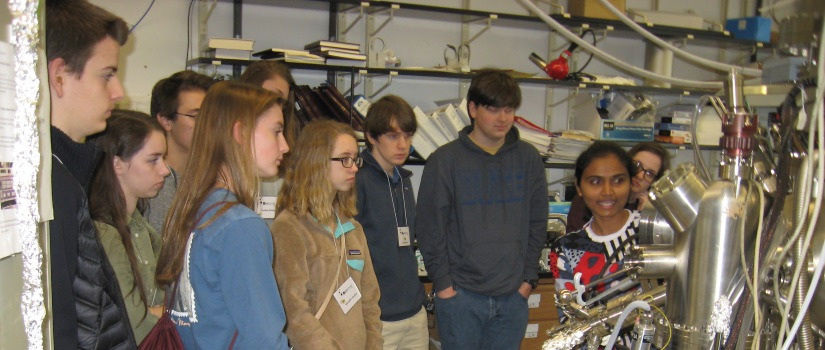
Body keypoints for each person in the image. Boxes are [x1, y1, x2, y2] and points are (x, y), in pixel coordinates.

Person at [416, 69, 549, 349]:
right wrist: (444, 286)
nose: (502, 118)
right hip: (461, 298)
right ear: (473, 109)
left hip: (513, 297)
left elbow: (538, 223)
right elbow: (430, 229)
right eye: (492, 109)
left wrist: (528, 280)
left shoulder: (529, 159)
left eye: (509, 109)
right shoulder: (445, 162)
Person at [154, 81, 290, 349]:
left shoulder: (191, 209)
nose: (284, 145)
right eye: (276, 132)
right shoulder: (239, 226)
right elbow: (264, 339)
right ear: (240, 132)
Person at [45, 0, 136, 348]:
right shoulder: (51, 186)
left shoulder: (65, 173)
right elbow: (67, 329)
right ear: (59, 76)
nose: (119, 92)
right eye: (107, 74)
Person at [272, 120, 383, 349]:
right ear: (317, 162)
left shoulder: (353, 229)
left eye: (355, 159)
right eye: (345, 159)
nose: (354, 167)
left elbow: (370, 303)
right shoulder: (289, 229)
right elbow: (295, 314)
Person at [88, 110, 169, 343]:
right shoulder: (105, 233)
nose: (164, 169)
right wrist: (161, 314)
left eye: (163, 159)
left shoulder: (138, 226)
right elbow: (136, 325)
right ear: (118, 164)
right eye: (153, 160)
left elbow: (166, 300)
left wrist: (159, 312)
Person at [355, 95, 428, 350]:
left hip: (413, 311)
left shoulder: (404, 180)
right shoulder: (358, 180)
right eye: (393, 136)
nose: (403, 145)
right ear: (372, 137)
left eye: (407, 136)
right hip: (377, 316)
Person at [550, 141, 640, 306]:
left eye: (618, 180)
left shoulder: (653, 231)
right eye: (595, 182)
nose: (607, 191)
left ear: (631, 183)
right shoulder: (567, 248)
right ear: (579, 187)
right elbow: (569, 317)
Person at [145, 70, 215, 234]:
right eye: (196, 116)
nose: (207, 125)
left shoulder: (210, 178)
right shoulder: (150, 184)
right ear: (166, 121)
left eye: (210, 116)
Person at [565, 141, 669, 232]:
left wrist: (644, 215)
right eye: (636, 165)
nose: (640, 176)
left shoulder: (651, 209)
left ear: (654, 182)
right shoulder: (590, 198)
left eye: (650, 173)